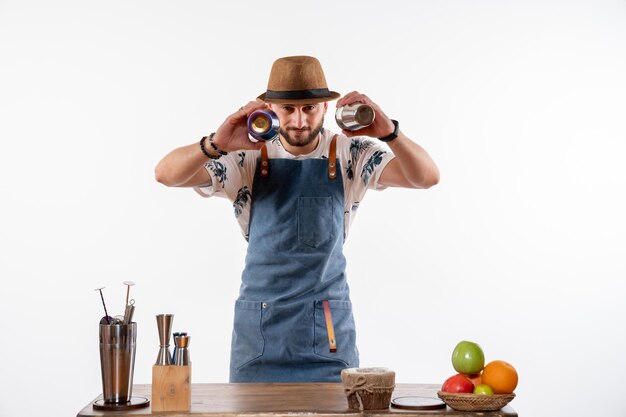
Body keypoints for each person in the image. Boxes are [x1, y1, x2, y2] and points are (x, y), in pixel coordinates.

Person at [155, 55, 439, 383]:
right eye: (288, 109)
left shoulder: (352, 152)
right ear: (270, 109)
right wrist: (217, 144)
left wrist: (389, 133)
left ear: (326, 108)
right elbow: (165, 174)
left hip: (329, 335)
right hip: (258, 336)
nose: (300, 121)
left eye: (309, 108)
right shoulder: (245, 156)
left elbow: (427, 177)